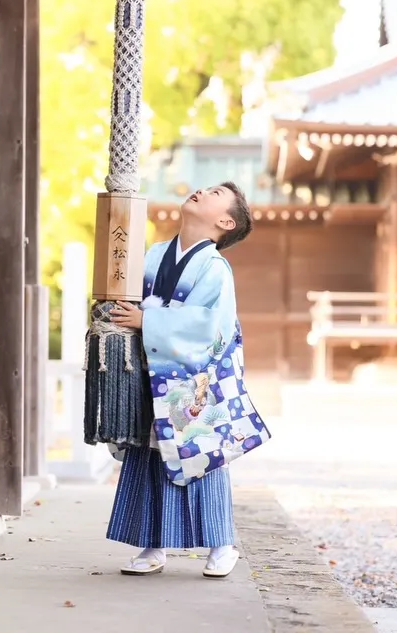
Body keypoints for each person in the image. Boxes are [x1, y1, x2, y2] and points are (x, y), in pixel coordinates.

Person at [106, 181, 261, 579]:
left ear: (225, 221)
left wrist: (148, 320)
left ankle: (222, 542)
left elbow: (209, 326)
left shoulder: (214, 268)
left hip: (195, 381)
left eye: (213, 194)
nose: (200, 192)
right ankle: (152, 544)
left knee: (202, 457)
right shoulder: (157, 254)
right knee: (150, 454)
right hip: (153, 370)